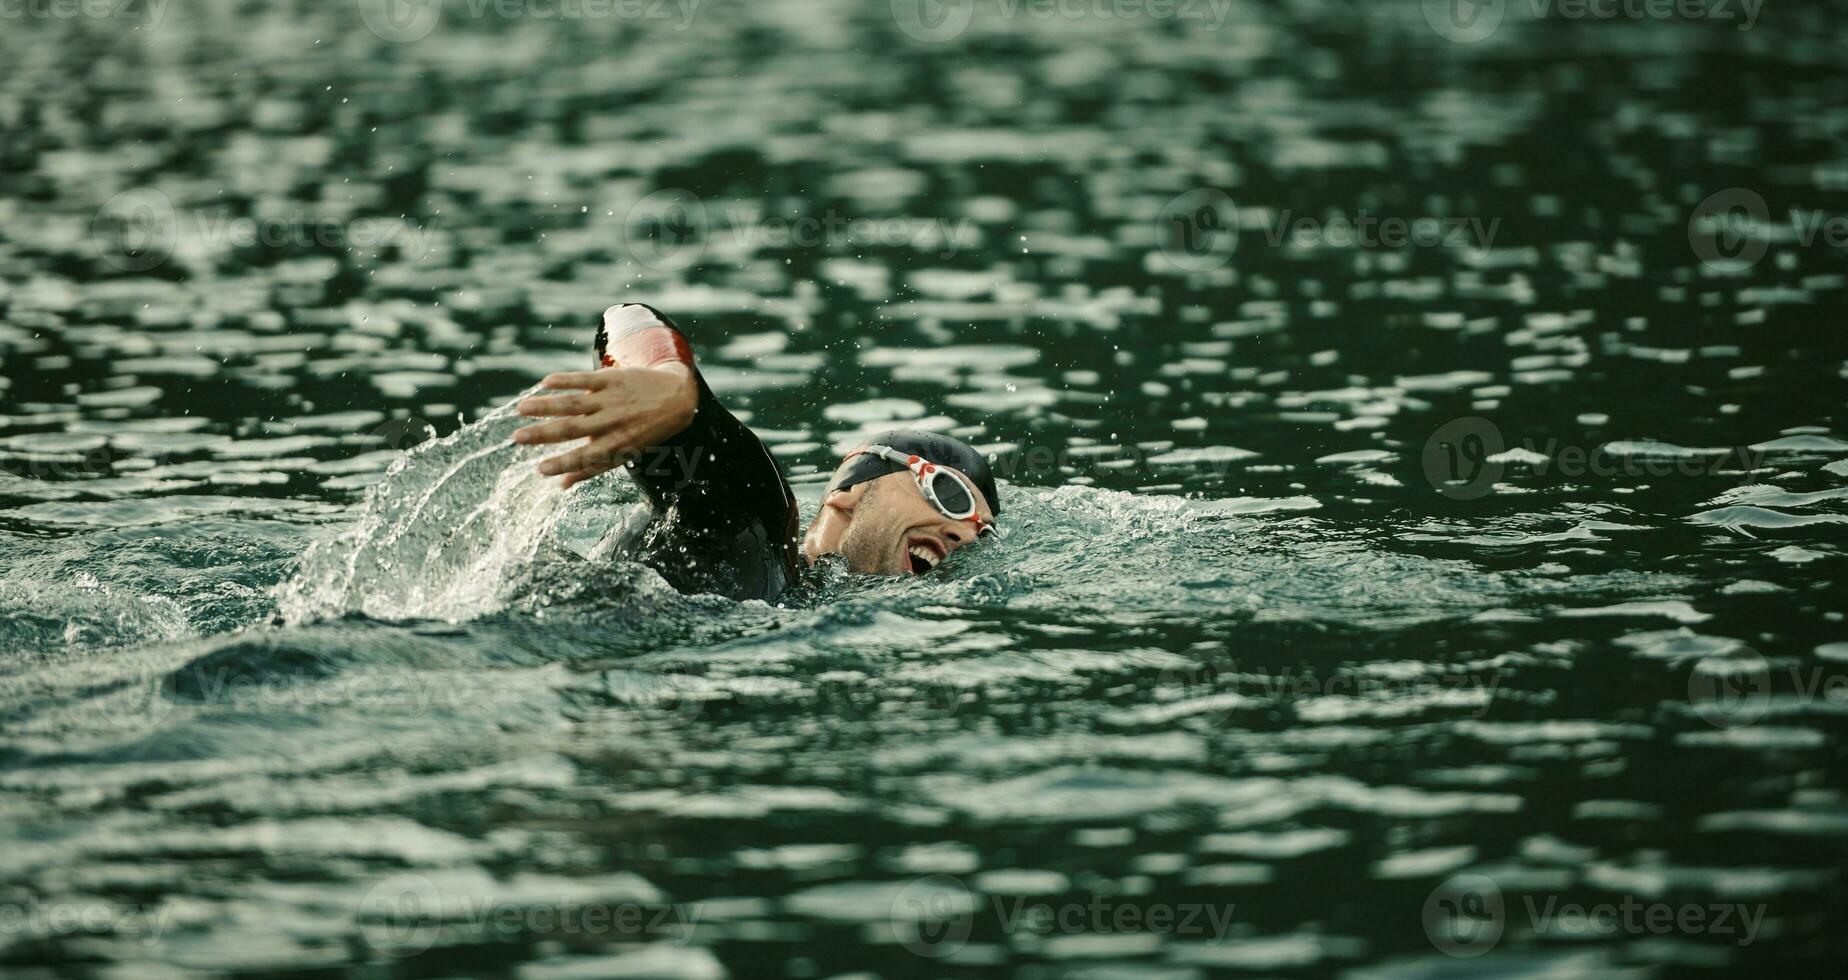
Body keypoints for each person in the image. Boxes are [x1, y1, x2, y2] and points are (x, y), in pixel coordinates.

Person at [511, 304, 1001, 601]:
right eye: (948, 494)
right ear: (851, 492)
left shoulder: (801, 599)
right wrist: (671, 382)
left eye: (982, 532)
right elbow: (628, 319)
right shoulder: (759, 521)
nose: (964, 532)